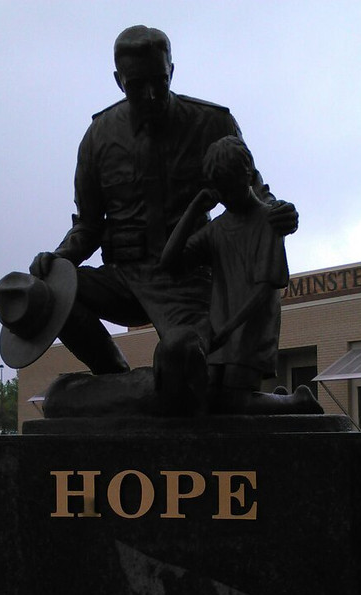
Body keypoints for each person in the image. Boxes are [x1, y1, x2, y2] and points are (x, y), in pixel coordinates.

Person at [26, 25, 297, 399]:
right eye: (137, 84)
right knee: (48, 292)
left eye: (159, 81)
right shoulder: (98, 137)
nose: (151, 94)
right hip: (122, 276)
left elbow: (251, 186)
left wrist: (276, 212)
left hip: (186, 281)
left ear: (172, 71)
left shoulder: (212, 123)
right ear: (119, 80)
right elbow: (87, 225)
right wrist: (59, 259)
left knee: (184, 355)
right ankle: (113, 376)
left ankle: (165, 389)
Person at [160, 136, 321, 415]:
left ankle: (298, 401)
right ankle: (278, 401)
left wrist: (226, 329)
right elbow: (169, 263)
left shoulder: (268, 221)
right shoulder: (217, 229)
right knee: (208, 400)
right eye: (218, 189)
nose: (223, 196)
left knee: (233, 403)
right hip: (221, 331)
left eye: (228, 186)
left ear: (246, 175)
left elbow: (264, 291)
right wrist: (194, 209)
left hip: (250, 328)